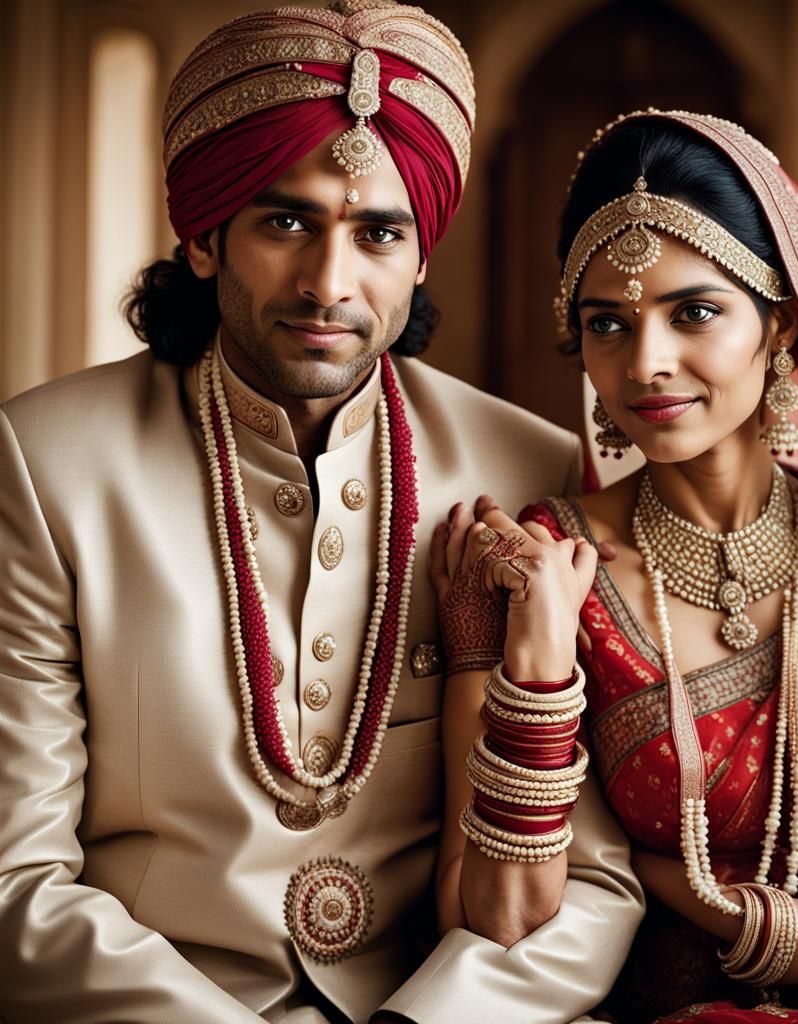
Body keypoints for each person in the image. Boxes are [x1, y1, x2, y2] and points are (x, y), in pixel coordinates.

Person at [0, 5, 644, 1022]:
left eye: (378, 233)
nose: (328, 283)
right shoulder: (48, 464)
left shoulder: (531, 468)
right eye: (286, 221)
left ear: (421, 255)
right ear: (205, 238)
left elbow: (598, 885)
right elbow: (14, 884)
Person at [433, 109, 798, 1023]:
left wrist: (712, 904)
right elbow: (498, 920)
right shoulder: (538, 566)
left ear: (781, 326)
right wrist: (542, 663)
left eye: (694, 312)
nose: (647, 363)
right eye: (607, 323)